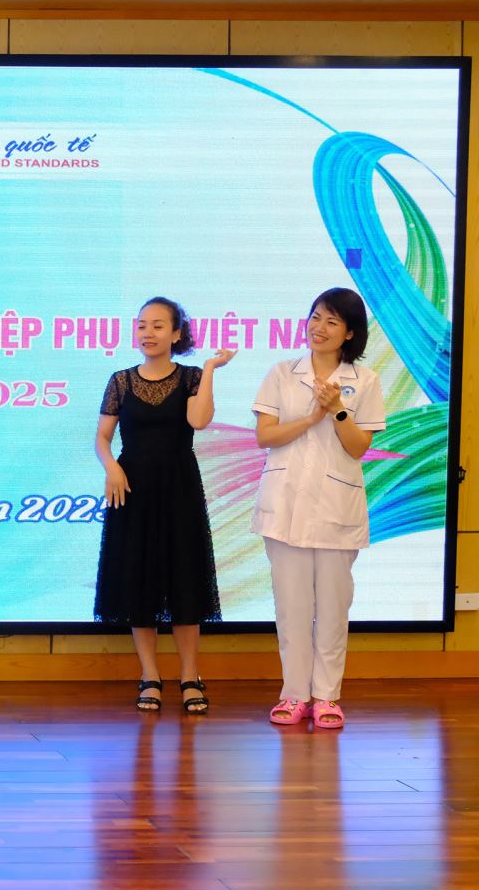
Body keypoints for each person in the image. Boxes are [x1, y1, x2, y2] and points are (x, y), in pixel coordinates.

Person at [253, 288, 384, 729]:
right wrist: (310, 418)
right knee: (291, 608)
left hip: (335, 509)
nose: (319, 327)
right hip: (285, 505)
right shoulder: (281, 373)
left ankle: (327, 696)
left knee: (332, 608)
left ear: (349, 333)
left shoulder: (365, 381)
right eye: (315, 317)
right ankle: (294, 695)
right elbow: (265, 436)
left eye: (331, 321)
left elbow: (358, 447)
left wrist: (338, 411)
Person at [94, 297, 231, 714]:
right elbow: (102, 437)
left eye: (157, 326)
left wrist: (210, 369)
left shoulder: (191, 377)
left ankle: (190, 675)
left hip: (179, 487)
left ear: (176, 334)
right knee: (140, 582)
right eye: (142, 325)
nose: (147, 333)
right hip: (131, 489)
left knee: (185, 580)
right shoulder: (120, 380)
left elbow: (199, 421)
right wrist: (111, 466)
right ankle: (149, 675)